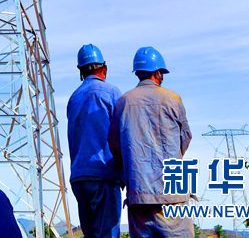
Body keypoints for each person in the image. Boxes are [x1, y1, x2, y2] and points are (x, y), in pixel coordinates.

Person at [108, 47, 193, 238]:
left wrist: (130, 170)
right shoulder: (173, 99)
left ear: (137, 72)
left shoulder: (123, 102)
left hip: (139, 195)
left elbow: (114, 144)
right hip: (172, 195)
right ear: (157, 73)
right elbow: (186, 136)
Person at [67, 43, 122, 238]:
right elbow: (122, 135)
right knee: (107, 234)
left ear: (81, 72)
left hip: (79, 178)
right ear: (104, 68)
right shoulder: (112, 93)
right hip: (103, 175)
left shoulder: (74, 98)